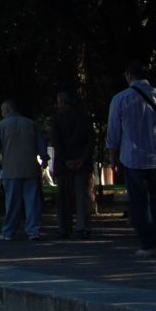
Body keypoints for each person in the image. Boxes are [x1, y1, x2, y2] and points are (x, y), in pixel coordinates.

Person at [106, 63, 156, 257]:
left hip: (133, 157)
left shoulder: (120, 99)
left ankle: (148, 242)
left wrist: (112, 159)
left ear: (130, 75)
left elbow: (114, 132)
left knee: (139, 202)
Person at [0, 99, 48, 241]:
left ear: (6, 110)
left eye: (2, 111)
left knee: (12, 203)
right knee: (32, 203)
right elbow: (41, 144)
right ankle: (33, 231)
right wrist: (44, 159)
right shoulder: (31, 124)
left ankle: (8, 231)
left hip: (11, 170)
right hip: (30, 169)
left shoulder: (1, 126)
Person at [50, 91, 94, 239]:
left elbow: (57, 142)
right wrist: (82, 159)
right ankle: (82, 226)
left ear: (63, 102)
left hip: (64, 164)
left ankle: (64, 228)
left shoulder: (57, 119)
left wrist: (65, 160)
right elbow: (90, 141)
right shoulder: (85, 118)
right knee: (82, 196)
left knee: (63, 198)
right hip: (82, 162)